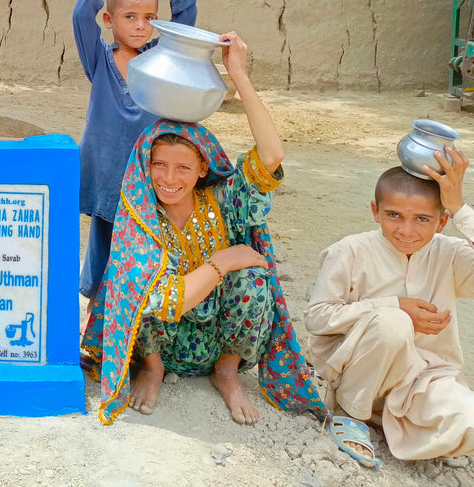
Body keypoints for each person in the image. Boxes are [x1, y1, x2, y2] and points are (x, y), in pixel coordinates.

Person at [82, 34, 326, 426]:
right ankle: (152, 370)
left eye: (182, 168)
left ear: (202, 168)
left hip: (216, 342)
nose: (168, 179)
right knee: (128, 280)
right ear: (145, 166)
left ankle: (226, 374)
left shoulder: (223, 201)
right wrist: (222, 261)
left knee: (254, 279)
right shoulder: (140, 218)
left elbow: (271, 157)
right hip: (159, 343)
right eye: (158, 165)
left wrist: (240, 78)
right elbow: (164, 303)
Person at [305, 155, 474, 467]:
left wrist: (460, 207)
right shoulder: (350, 250)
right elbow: (316, 317)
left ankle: (388, 417)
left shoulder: (450, 254)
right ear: (375, 212)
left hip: (421, 380)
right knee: (393, 323)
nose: (407, 231)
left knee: (470, 424)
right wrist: (393, 307)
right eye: (394, 215)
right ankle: (350, 413)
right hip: (350, 373)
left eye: (422, 219)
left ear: (442, 221)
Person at [73, 0, 197, 305]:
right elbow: (82, 14)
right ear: (109, 20)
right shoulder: (98, 59)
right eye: (130, 17)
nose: (141, 26)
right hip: (107, 169)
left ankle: (137, 324)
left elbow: (186, 18)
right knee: (104, 242)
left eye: (149, 18)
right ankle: (97, 325)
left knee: (143, 246)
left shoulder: (160, 58)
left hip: (145, 172)